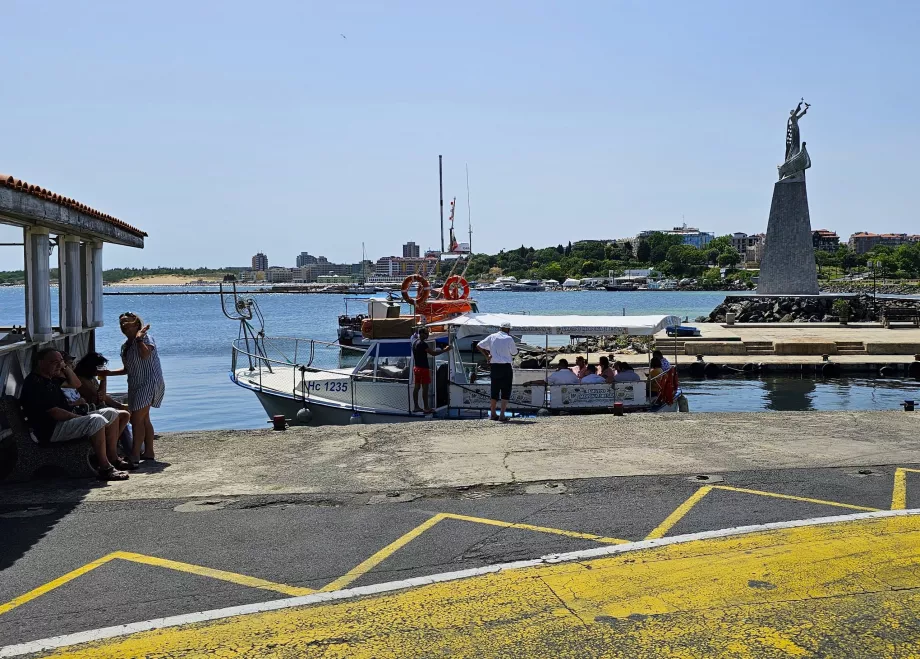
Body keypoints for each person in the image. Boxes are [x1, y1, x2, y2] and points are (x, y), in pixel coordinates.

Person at [19, 349, 131, 480]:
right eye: (53, 362)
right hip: (50, 429)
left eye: (60, 362)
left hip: (64, 422)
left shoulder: (52, 378)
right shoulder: (35, 383)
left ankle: (113, 457)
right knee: (96, 420)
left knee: (111, 413)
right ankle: (105, 468)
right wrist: (81, 419)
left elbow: (76, 384)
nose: (58, 366)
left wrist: (64, 366)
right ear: (40, 363)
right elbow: (55, 413)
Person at [101, 312, 165, 466]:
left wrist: (139, 339)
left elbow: (144, 355)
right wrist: (106, 373)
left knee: (136, 419)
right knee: (144, 419)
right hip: (135, 384)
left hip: (150, 382)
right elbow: (127, 369)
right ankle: (149, 451)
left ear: (136, 324)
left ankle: (135, 455)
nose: (124, 325)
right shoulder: (125, 346)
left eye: (127, 322)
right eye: (122, 323)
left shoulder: (146, 338)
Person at [477, 321, 518, 422]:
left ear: (500, 328)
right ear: (508, 330)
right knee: (506, 390)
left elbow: (479, 345)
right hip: (506, 367)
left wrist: (487, 355)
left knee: (494, 389)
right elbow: (514, 352)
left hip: (494, 366)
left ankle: (493, 413)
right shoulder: (509, 338)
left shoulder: (492, 336)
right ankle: (502, 415)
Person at [411, 327, 450, 414]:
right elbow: (433, 353)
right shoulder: (423, 344)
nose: (427, 335)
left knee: (417, 388)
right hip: (423, 369)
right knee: (425, 389)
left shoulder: (414, 342)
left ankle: (416, 406)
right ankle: (426, 408)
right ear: (421, 334)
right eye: (426, 333)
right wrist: (445, 350)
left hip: (416, 368)